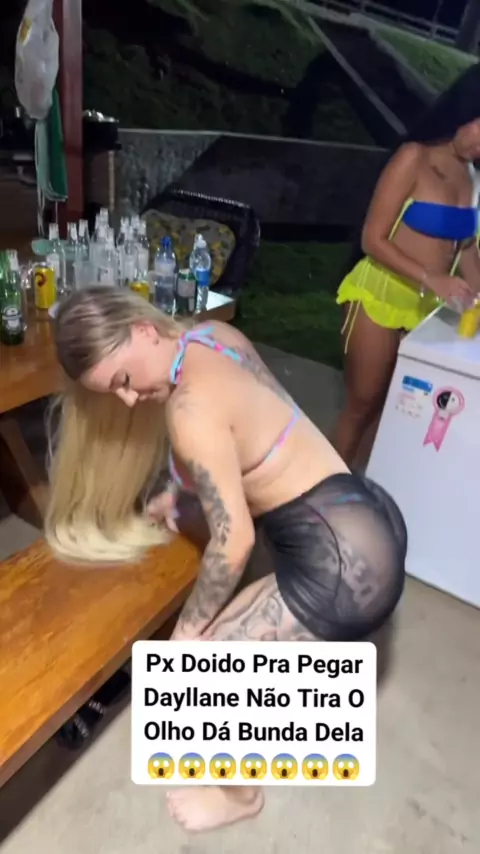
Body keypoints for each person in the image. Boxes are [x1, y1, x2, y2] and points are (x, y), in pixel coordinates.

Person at [46, 286, 407, 833]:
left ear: (142, 330)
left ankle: (241, 796)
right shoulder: (214, 337)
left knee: (202, 674)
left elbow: (234, 540)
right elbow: (239, 435)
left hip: (343, 566)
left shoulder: (188, 409)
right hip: (364, 513)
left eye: (122, 380)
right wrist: (182, 494)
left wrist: (186, 634)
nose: (129, 399)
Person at [332, 63, 480, 469]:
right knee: (362, 404)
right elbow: (372, 239)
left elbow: (466, 246)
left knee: (393, 410)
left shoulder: (471, 176)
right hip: (378, 295)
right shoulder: (414, 157)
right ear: (466, 111)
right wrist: (434, 278)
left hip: (426, 309)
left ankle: (357, 490)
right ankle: (320, 494)